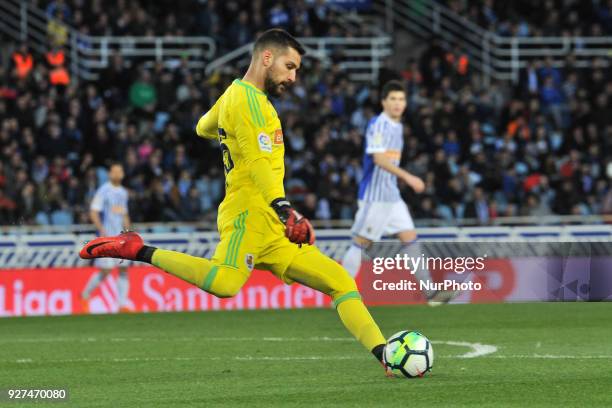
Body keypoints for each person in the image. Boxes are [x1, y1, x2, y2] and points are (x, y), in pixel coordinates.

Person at [80, 29, 391, 375]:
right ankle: (136, 249)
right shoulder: (250, 102)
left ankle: (385, 354)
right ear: (267, 58)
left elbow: (202, 127)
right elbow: (258, 162)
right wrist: (285, 207)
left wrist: (232, 135)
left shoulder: (234, 96)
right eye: (290, 66)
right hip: (249, 213)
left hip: (272, 224)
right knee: (225, 284)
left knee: (340, 282)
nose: (293, 76)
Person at [341, 81, 452, 304]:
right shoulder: (378, 125)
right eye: (393, 99)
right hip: (376, 196)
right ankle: (340, 293)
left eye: (401, 99)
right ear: (384, 102)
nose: (397, 103)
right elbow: (379, 159)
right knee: (361, 243)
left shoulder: (397, 127)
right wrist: (409, 177)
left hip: (392, 196)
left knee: (410, 238)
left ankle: (431, 294)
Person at [81, 163, 132, 313]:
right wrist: (101, 230)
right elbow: (93, 211)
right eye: (115, 171)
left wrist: (129, 232)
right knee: (106, 270)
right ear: (110, 174)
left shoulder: (123, 192)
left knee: (123, 269)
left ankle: (122, 305)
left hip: (121, 238)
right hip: (107, 237)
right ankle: (85, 296)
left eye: (120, 171)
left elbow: (124, 214)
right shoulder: (104, 190)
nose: (117, 174)